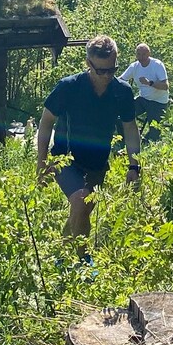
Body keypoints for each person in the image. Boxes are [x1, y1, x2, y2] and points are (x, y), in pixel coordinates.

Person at [36, 34, 141, 240]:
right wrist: (41, 161)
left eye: (112, 70)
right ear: (88, 63)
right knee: (82, 200)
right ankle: (84, 262)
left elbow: (130, 129)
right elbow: (46, 121)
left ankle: (63, 250)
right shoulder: (69, 86)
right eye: (101, 70)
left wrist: (134, 165)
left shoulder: (122, 92)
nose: (106, 76)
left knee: (83, 209)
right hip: (65, 159)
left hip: (97, 164)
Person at [120, 43, 171, 142]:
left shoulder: (157, 65)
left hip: (158, 102)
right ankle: (127, 139)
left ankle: (144, 144)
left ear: (149, 54)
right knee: (122, 115)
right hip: (143, 99)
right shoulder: (134, 67)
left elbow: (165, 86)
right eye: (139, 54)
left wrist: (150, 83)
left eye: (144, 54)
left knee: (154, 134)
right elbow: (121, 80)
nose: (141, 57)